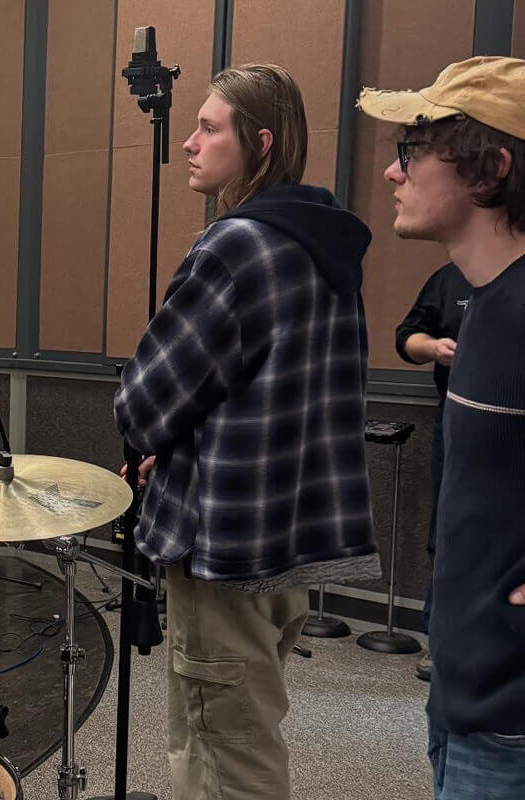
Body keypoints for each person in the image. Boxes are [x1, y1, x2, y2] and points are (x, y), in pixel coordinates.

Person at [113, 64, 380, 799]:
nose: (190, 143)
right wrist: (181, 453)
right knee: (225, 735)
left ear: (259, 143)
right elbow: (269, 393)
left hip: (225, 553)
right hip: (286, 544)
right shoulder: (324, 247)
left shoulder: (236, 247)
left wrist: (161, 443)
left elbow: (144, 403)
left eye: (209, 128)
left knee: (230, 756)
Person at [358, 56, 525, 799]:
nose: (393, 172)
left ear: (488, 171)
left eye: (413, 151)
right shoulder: (488, 304)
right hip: (466, 691)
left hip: (510, 716)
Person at [395, 262, 471, 681]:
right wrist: (433, 347)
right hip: (457, 417)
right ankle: (441, 640)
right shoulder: (450, 277)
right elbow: (407, 336)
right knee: (449, 529)